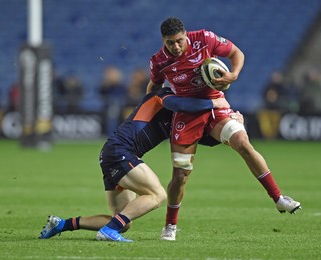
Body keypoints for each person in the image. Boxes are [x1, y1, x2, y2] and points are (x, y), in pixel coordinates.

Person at [146, 17, 301, 241]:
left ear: (186, 34)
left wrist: (234, 74)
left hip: (216, 106)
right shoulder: (158, 62)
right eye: (170, 43)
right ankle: (170, 225)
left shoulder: (204, 39)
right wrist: (148, 109)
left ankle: (278, 198)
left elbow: (237, 53)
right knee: (180, 175)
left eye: (179, 41)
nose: (176, 47)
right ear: (163, 41)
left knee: (243, 144)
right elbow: (154, 88)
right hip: (187, 114)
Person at [39, 87, 236, 242]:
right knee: (157, 195)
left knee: (123, 221)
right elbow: (181, 103)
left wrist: (232, 126)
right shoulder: (164, 96)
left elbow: (205, 138)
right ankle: (108, 231)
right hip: (120, 152)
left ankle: (61, 225)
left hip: (112, 154)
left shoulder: (178, 117)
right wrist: (213, 102)